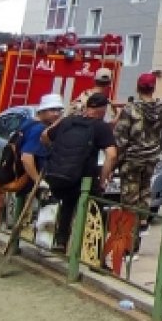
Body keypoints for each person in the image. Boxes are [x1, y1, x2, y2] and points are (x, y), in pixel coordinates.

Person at [42, 92, 117, 253]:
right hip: (85, 179)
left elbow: (44, 136)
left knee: (67, 205)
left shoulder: (67, 122)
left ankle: (61, 242)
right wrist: (103, 180)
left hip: (60, 176)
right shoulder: (100, 127)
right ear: (103, 110)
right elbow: (111, 155)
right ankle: (95, 252)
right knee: (96, 211)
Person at [113, 72, 162, 233]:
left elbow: (120, 136)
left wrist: (118, 158)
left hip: (132, 159)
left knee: (129, 200)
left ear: (138, 87)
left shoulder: (131, 109)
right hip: (152, 158)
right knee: (145, 193)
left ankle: (128, 241)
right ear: (154, 88)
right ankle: (140, 230)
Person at [20, 93, 64, 186]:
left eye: (59, 110)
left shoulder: (30, 123)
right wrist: (38, 181)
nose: (56, 114)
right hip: (33, 181)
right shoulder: (39, 129)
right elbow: (26, 157)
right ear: (42, 111)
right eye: (52, 110)